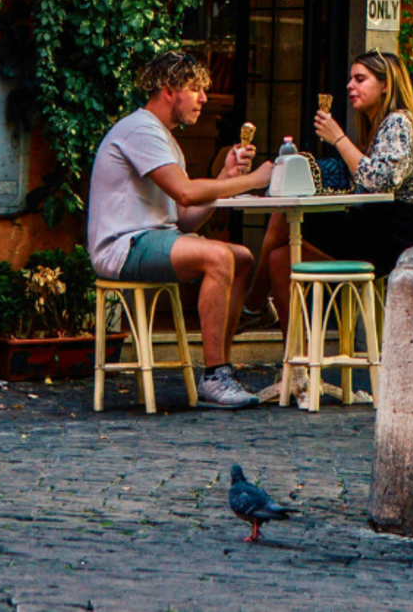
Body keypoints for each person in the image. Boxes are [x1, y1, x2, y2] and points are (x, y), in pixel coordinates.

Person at [86, 51, 274, 409]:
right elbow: (185, 192)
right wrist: (251, 180)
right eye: (195, 89)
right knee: (218, 256)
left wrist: (224, 178)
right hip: (123, 245)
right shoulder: (141, 129)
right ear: (169, 89)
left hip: (155, 238)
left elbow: (184, 218)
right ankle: (214, 376)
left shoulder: (164, 138)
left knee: (242, 258)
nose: (203, 99)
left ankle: (222, 370)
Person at [250, 50, 413, 330]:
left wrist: (338, 138)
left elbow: (379, 182)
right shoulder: (379, 125)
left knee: (285, 216)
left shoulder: (399, 122)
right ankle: (298, 363)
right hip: (374, 229)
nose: (350, 86)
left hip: (395, 240)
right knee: (280, 259)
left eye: (360, 79)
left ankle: (252, 304)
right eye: (351, 79)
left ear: (386, 84)